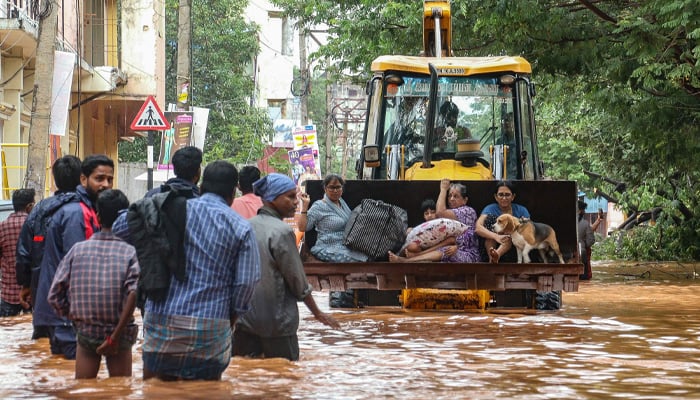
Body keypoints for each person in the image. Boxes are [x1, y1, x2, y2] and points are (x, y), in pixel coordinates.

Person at [142, 160, 261, 381]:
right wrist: (231, 319)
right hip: (210, 325)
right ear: (233, 192)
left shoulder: (170, 210)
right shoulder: (241, 226)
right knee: (205, 391)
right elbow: (247, 283)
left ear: (201, 186)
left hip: (161, 321)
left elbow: (126, 228)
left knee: (158, 390)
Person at [233, 173, 340, 361]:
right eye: (290, 197)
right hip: (278, 324)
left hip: (245, 322)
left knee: (246, 376)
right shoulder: (282, 232)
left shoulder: (245, 226)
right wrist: (318, 313)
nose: (295, 203)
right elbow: (297, 281)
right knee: (286, 377)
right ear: (272, 199)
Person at [47, 189, 139, 379]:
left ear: (97, 216)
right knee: (120, 391)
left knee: (83, 390)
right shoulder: (129, 252)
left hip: (87, 331)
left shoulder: (77, 250)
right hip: (120, 335)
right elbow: (134, 293)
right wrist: (114, 336)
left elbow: (54, 295)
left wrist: (75, 318)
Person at [32, 154, 114, 359]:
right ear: (83, 179)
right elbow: (80, 266)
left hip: (61, 313)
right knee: (80, 374)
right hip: (68, 315)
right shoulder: (77, 213)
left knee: (66, 380)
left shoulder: (80, 208)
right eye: (99, 178)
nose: (105, 185)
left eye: (109, 179)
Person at [16, 155, 82, 338]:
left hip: (41, 291)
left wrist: (25, 283)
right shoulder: (87, 208)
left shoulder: (39, 210)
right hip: (79, 293)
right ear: (81, 177)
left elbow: (24, 252)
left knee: (44, 347)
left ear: (55, 179)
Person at [113, 145, 202, 242]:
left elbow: (123, 227)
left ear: (174, 169)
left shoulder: (152, 195)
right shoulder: (202, 202)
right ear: (198, 172)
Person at [389, 179, 479, 263]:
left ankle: (406, 261)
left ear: (465, 200)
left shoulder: (468, 211)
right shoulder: (447, 215)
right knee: (413, 246)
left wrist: (443, 189)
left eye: (456, 196)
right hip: (447, 247)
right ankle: (415, 258)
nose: (451, 199)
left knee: (446, 251)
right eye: (450, 196)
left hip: (467, 253)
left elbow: (440, 212)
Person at [298, 174, 368, 262]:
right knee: (355, 259)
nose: (335, 190)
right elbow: (302, 227)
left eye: (338, 187)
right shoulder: (319, 206)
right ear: (325, 188)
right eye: (331, 187)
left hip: (347, 244)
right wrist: (305, 206)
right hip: (327, 247)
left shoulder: (342, 203)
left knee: (368, 254)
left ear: (342, 188)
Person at [475, 180, 530, 263]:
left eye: (507, 195)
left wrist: (508, 230)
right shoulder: (490, 209)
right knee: (490, 221)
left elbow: (529, 229)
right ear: (496, 197)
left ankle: (496, 255)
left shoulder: (521, 210)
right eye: (501, 195)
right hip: (491, 247)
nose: (504, 198)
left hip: (516, 249)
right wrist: (496, 236)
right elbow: (478, 228)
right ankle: (492, 259)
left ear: (513, 196)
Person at [0, 188, 34, 317]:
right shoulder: (35, 225)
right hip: (31, 295)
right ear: (29, 206)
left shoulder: (2, 227)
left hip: (8, 294)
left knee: (7, 331)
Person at [578, 200, 603, 280]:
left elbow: (589, 229)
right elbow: (591, 240)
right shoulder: (584, 223)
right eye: (583, 210)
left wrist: (598, 220)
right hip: (582, 253)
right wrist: (584, 244)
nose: (584, 212)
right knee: (585, 277)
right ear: (579, 210)